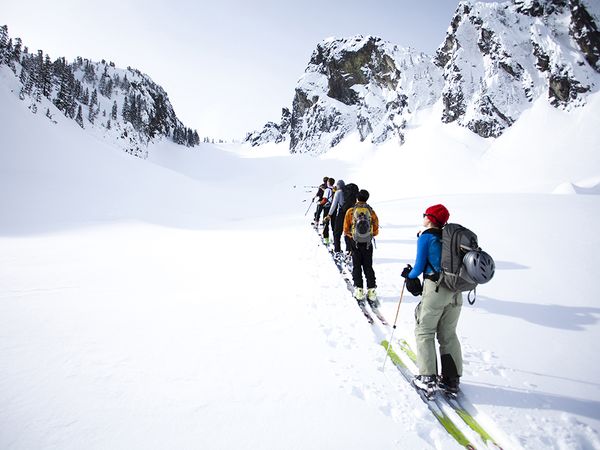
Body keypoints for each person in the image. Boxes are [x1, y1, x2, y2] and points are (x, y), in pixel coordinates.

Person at [401, 204, 463, 396]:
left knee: (425, 331)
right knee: (448, 334)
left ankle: (428, 378)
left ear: (430, 218)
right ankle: (451, 380)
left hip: (436, 289)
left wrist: (408, 275)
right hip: (456, 290)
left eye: (425, 215)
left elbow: (419, 267)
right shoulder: (450, 238)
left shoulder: (427, 237)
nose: (423, 218)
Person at [343, 189, 379, 306]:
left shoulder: (351, 211)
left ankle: (359, 290)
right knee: (368, 266)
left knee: (357, 265)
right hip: (368, 243)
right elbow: (376, 229)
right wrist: (369, 235)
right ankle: (371, 291)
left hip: (355, 243)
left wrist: (352, 237)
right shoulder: (371, 211)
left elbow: (346, 229)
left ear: (357, 198)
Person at [326, 179, 345, 252]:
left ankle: (337, 250)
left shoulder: (338, 192)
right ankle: (349, 251)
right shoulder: (348, 192)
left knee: (337, 232)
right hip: (350, 213)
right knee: (348, 233)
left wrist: (329, 214)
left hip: (341, 213)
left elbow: (334, 205)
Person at [321, 178, 335, 244]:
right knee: (333, 224)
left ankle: (326, 239)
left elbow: (325, 199)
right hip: (334, 208)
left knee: (326, 223)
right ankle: (334, 239)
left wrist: (320, 204)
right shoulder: (335, 189)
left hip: (327, 207)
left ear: (328, 182)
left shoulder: (327, 190)